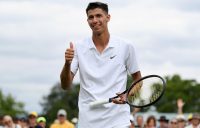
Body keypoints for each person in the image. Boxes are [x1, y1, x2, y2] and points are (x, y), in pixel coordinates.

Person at [60, 1, 142, 128]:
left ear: (108, 17)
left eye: (99, 16)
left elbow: (138, 80)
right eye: (90, 17)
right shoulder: (78, 47)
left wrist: (128, 95)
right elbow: (65, 85)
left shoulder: (126, 46)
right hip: (88, 121)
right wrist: (67, 63)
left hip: (118, 121)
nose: (94, 20)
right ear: (87, 20)